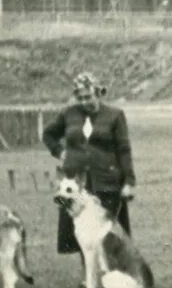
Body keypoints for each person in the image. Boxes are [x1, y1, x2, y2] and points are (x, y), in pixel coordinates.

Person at [43, 73, 136, 272]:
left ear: (98, 92)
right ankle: (89, 279)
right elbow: (48, 134)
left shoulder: (115, 115)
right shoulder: (68, 114)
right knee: (80, 230)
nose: (84, 101)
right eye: (80, 98)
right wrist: (60, 152)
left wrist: (128, 181)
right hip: (75, 183)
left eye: (88, 96)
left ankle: (118, 275)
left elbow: (124, 149)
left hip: (106, 180)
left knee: (110, 232)